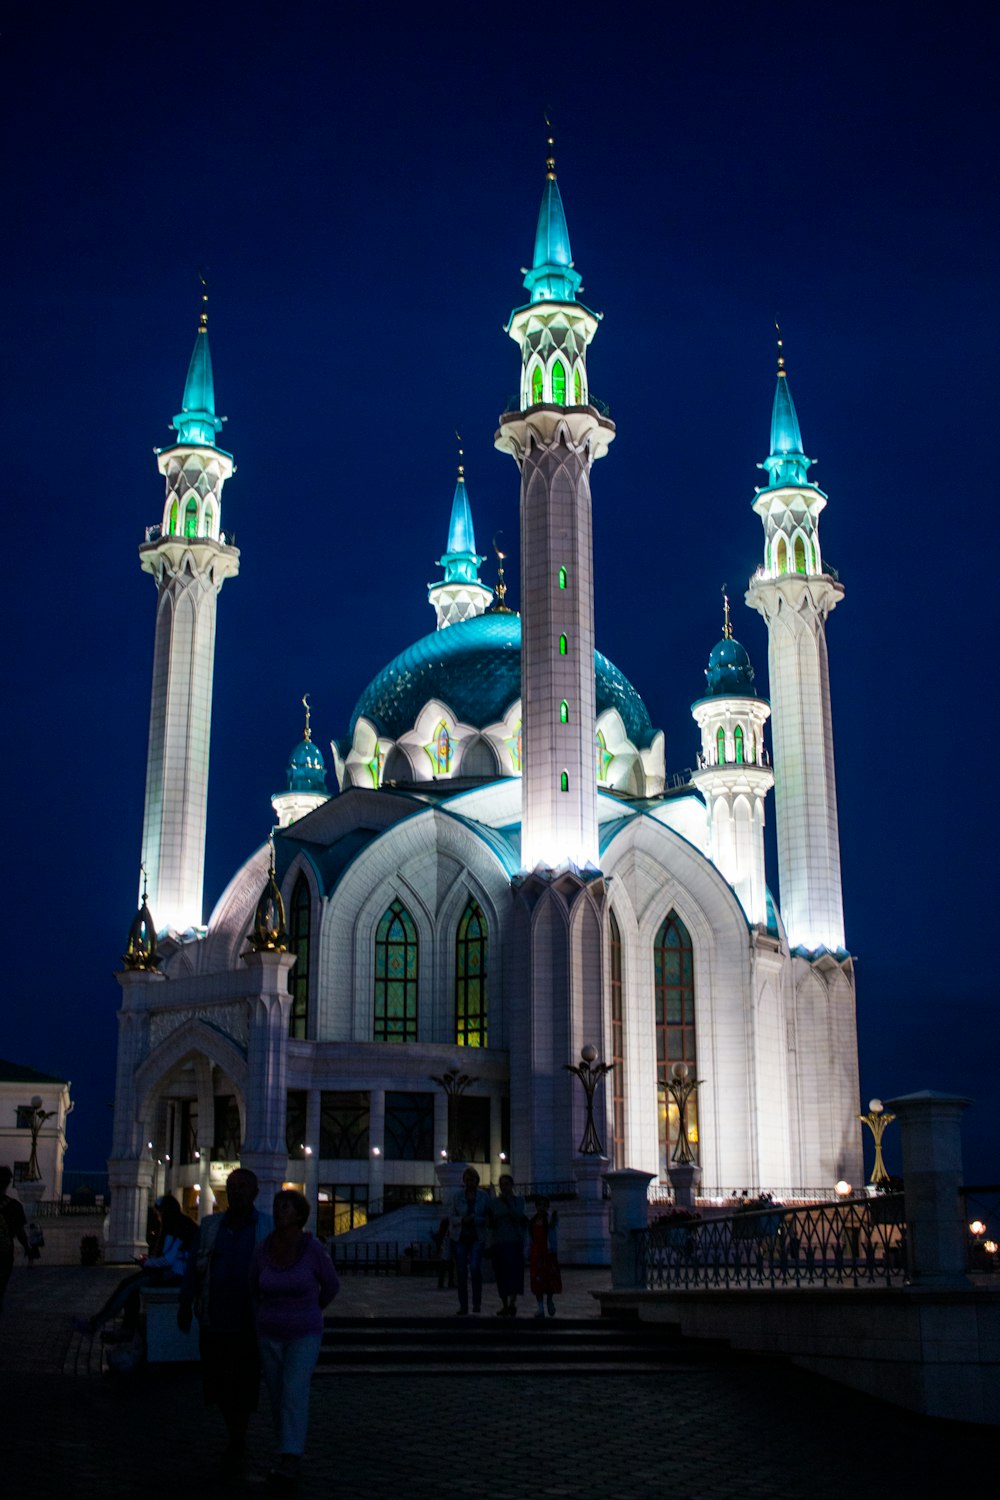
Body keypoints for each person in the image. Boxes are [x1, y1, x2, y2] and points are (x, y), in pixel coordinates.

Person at [178, 1168, 273, 1478]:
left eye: (243, 1186)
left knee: (244, 1383)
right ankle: (234, 1429)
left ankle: (238, 1435)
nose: (237, 1192)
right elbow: (194, 1264)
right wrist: (184, 1301)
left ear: (256, 1192)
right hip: (215, 1319)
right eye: (232, 1186)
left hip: (249, 1323)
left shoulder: (266, 1229)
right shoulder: (209, 1227)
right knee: (219, 1382)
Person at [249, 1189, 339, 1489]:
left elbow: (331, 1285)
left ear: (300, 1215)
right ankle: (286, 1447)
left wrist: (312, 1309)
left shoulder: (312, 1250)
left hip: (304, 1332)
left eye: (286, 1207)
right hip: (270, 1332)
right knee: (277, 1395)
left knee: (293, 1391)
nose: (279, 1212)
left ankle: (291, 1457)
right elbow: (253, 1285)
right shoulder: (263, 1249)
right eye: (277, 1206)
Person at [74, 1193, 195, 1340]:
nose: (158, 1217)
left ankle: (96, 1324)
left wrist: (147, 1263)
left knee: (127, 1285)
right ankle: (125, 1327)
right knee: (129, 1287)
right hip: (176, 1274)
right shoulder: (183, 1224)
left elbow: (169, 1259)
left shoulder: (176, 1227)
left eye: (159, 1213)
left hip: (175, 1276)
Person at [449, 1166, 490, 1316]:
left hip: (477, 1237)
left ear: (477, 1181)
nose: (469, 1182)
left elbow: (487, 1218)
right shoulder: (457, 1196)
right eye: (467, 1179)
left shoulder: (484, 1197)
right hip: (460, 1237)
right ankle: (463, 1305)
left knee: (474, 1268)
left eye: (472, 1179)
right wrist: (462, 1220)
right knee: (461, 1272)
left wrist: (474, 1220)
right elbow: (452, 1217)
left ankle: (477, 1303)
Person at [487, 1173, 527, 1317]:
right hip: (499, 1241)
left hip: (514, 1240)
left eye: (506, 1184)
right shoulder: (493, 1203)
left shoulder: (519, 1201)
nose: (504, 1187)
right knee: (501, 1274)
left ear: (512, 1185)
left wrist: (508, 1205)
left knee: (514, 1274)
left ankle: (512, 1302)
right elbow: (491, 1221)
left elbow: (519, 1216)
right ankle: (504, 1304)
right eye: (502, 1184)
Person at [0, 1166, 34, 1314]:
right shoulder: (14, 1206)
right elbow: (20, 1232)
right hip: (3, 1254)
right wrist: (27, 1248)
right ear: (8, 1182)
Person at [528, 1196, 562, 1319]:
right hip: (537, 1253)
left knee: (549, 1279)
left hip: (548, 1253)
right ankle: (540, 1307)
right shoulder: (532, 1221)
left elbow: (554, 1227)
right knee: (537, 1281)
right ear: (536, 1207)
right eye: (539, 1205)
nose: (541, 1207)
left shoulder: (550, 1220)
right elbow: (530, 1237)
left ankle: (549, 1300)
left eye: (544, 1205)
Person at [432, 1216, 454, 1289]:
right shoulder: (446, 1233)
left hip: (445, 1253)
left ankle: (444, 1283)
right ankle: (447, 1283)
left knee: (445, 1269)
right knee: (448, 1268)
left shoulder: (442, 1233)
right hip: (446, 1252)